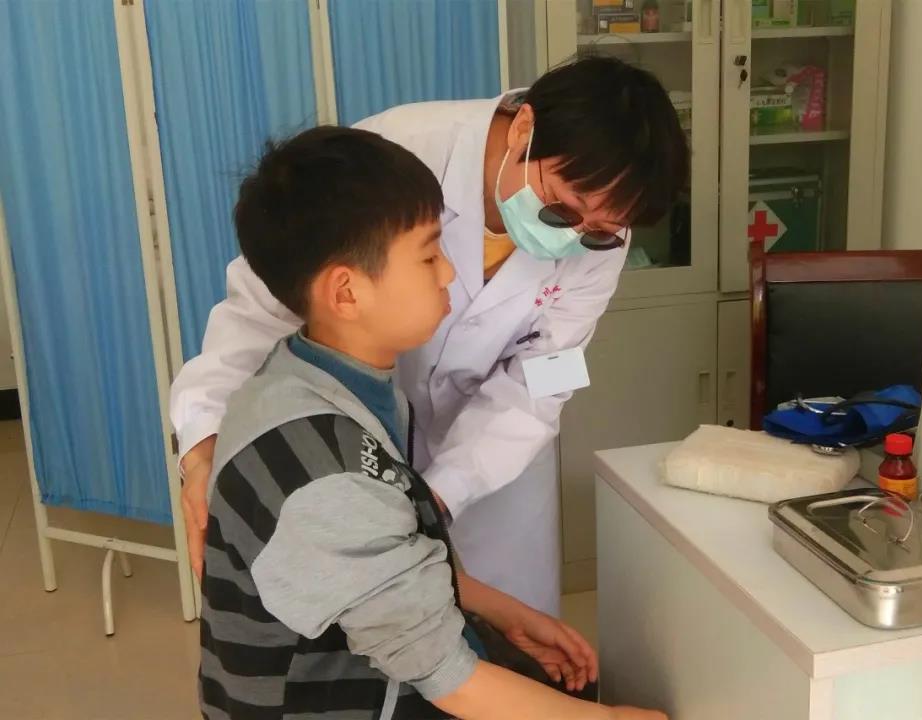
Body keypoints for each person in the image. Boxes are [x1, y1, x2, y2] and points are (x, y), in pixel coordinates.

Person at [172, 55, 689, 616]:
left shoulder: (600, 238)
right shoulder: (399, 153)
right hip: (353, 440)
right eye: (564, 209)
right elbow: (264, 306)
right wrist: (206, 439)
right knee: (379, 633)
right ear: (524, 128)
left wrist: (439, 494)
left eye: (598, 232)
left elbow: (544, 377)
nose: (573, 238)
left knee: (506, 628)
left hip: (494, 466)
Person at [199, 125, 665, 720]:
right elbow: (450, 680)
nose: (449, 273)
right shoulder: (323, 468)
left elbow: (382, 562)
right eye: (429, 254)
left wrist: (501, 610)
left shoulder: (323, 381)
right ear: (346, 293)